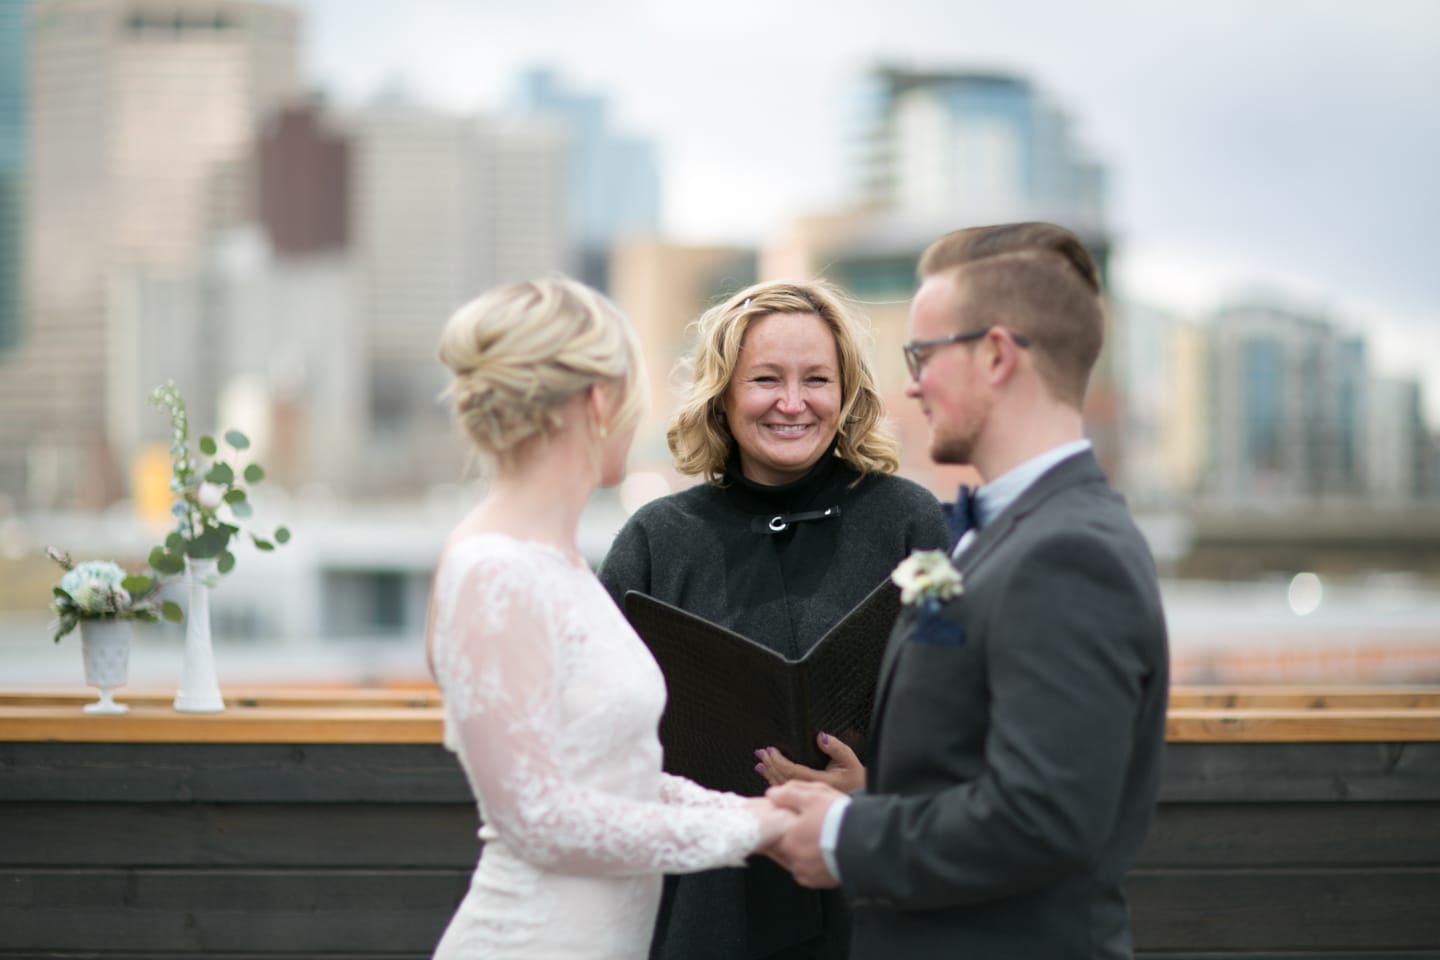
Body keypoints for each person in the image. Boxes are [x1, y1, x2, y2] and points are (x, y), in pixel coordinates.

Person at [766, 223, 1171, 959]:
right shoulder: (1018, 530)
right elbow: (977, 769)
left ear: (994, 355)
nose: (912, 382)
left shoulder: (1070, 554)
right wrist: (858, 803)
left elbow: (1042, 817)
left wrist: (845, 836)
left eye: (923, 354)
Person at [425, 276, 795, 960]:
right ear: (599, 400)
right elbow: (539, 818)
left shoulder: (559, 561)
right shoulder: (493, 571)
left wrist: (753, 811)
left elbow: (613, 777)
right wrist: (753, 833)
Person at [598, 279, 950, 960]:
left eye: (817, 379)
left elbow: (966, 700)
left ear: (845, 392)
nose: (793, 403)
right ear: (723, 393)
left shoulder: (915, 523)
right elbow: (602, 734)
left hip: (869, 897)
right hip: (707, 907)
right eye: (766, 379)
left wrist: (876, 792)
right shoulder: (653, 541)